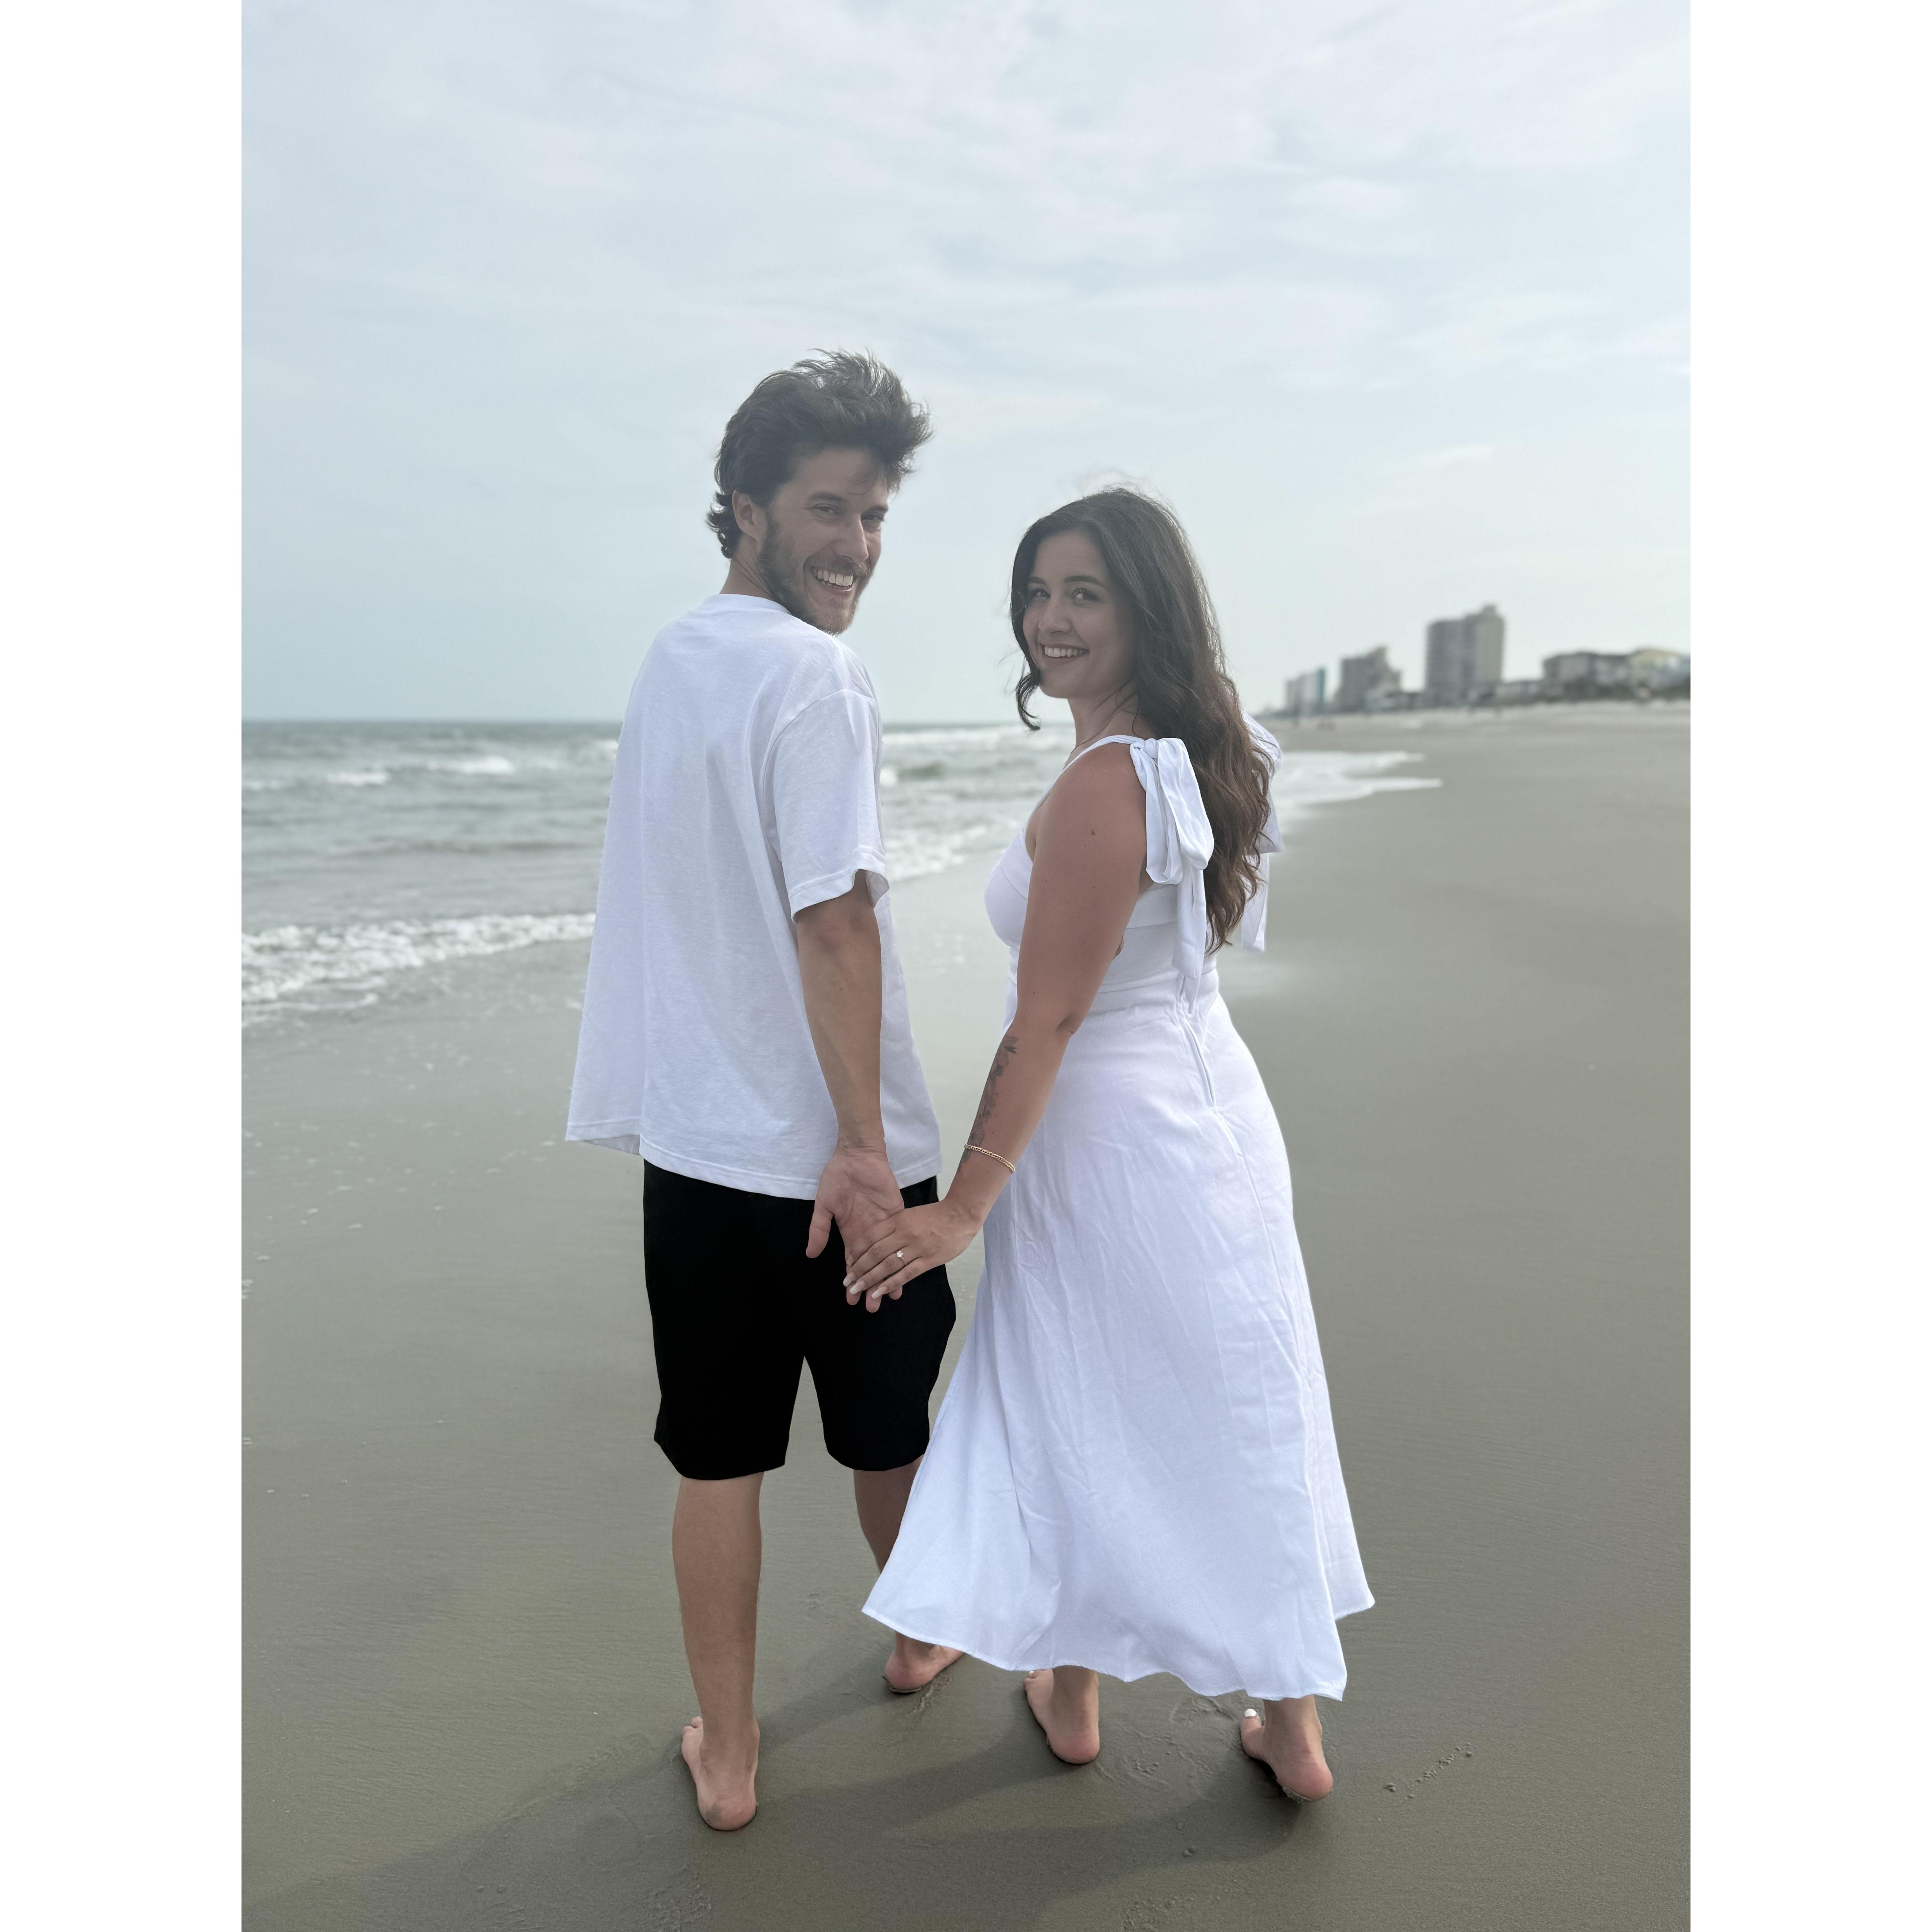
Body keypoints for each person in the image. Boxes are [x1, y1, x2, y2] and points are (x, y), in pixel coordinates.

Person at [846, 488, 1373, 1802]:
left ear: (1148, 607)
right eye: (1038, 592)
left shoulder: (1104, 783)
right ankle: (1283, 1724)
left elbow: (1050, 1019)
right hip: (1212, 1113)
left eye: (1085, 593)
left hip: (1108, 1136)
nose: (1051, 619)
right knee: (1238, 1396)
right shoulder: (1212, 752)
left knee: (1076, 1399)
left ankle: (1077, 1694)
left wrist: (963, 1207)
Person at [566, 352, 961, 1833]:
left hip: (698, 1152)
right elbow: (833, 917)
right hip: (839, 1159)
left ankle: (727, 1755)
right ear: (744, 507)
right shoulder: (817, 676)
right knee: (890, 1430)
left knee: (719, 1458)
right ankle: (921, 1636)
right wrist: (861, 1149)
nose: (856, 544)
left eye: (874, 515)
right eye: (828, 509)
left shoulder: (671, 663)